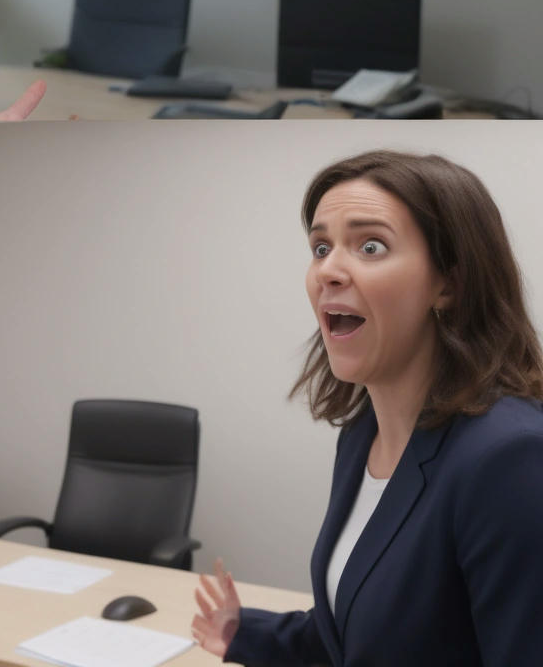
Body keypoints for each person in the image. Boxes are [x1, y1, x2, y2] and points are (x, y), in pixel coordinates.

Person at [191, 150, 543, 667]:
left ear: (450, 283)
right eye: (320, 247)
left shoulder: (511, 459)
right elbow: (362, 630)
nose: (328, 269)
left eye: (370, 246)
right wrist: (247, 633)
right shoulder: (362, 437)